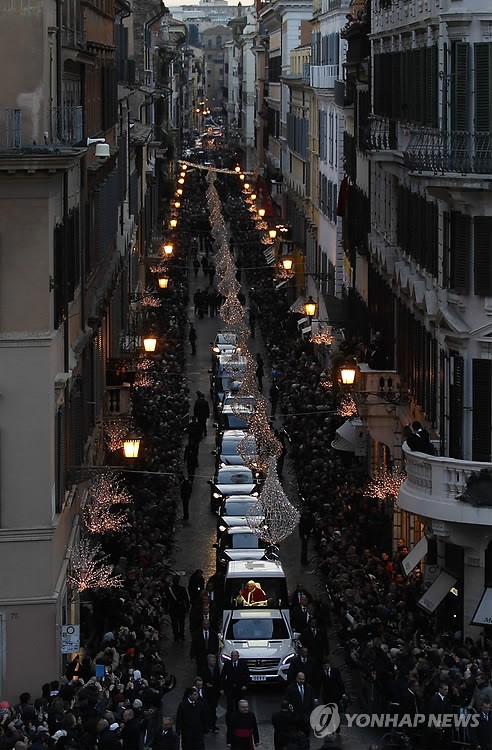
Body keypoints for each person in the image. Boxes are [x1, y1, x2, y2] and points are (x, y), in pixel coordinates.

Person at [285, 672, 316, 741]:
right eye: (300, 679)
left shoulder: (308, 688)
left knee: (306, 737)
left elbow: (311, 701)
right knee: (296, 737)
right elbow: (287, 701)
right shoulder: (290, 689)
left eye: (303, 679)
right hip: (295, 717)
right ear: (296, 679)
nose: (301, 681)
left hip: (306, 717)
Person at [319, 659, 346, 734]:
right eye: (325, 666)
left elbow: (340, 682)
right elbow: (319, 685)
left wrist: (343, 693)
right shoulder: (321, 673)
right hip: (327, 696)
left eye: (327, 665)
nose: (326, 667)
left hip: (336, 695)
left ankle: (337, 727)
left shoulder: (335, 671)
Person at [220, 650, 250, 716]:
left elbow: (247, 675)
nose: (233, 657)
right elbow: (223, 676)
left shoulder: (243, 664)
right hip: (230, 688)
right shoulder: (227, 664)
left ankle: (238, 718)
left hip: (239, 688)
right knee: (230, 705)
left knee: (238, 705)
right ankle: (230, 719)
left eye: (235, 656)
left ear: (238, 656)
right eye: (232, 656)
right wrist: (222, 688)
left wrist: (245, 685)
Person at [166, 575, 190, 641]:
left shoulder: (169, 590)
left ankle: (176, 636)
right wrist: (187, 607)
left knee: (174, 623)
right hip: (181, 607)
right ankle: (182, 635)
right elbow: (186, 598)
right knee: (181, 622)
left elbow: (167, 599)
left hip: (173, 608)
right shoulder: (182, 589)